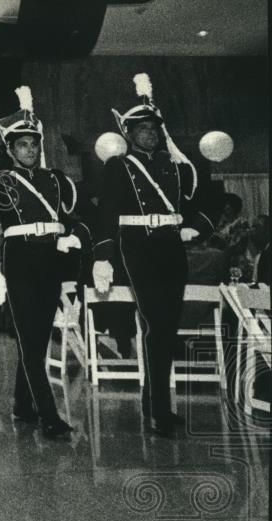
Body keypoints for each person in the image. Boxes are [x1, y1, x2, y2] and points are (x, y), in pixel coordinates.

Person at [91, 73, 218, 437]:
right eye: (141, 128)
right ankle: (160, 407)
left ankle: (155, 400)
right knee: (157, 324)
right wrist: (103, 256)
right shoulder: (120, 166)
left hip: (171, 248)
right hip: (137, 248)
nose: (149, 133)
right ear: (128, 133)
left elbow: (208, 201)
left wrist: (199, 227)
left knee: (167, 325)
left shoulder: (177, 164)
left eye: (153, 128)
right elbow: (107, 213)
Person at [0, 86, 89, 438]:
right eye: (21, 145)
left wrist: (75, 238)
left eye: (34, 144)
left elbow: (77, 220)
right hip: (20, 263)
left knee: (37, 339)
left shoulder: (55, 180)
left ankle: (22, 405)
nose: (29, 150)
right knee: (28, 339)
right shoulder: (1, 181)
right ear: (10, 150)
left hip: (51, 263)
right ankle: (48, 415)